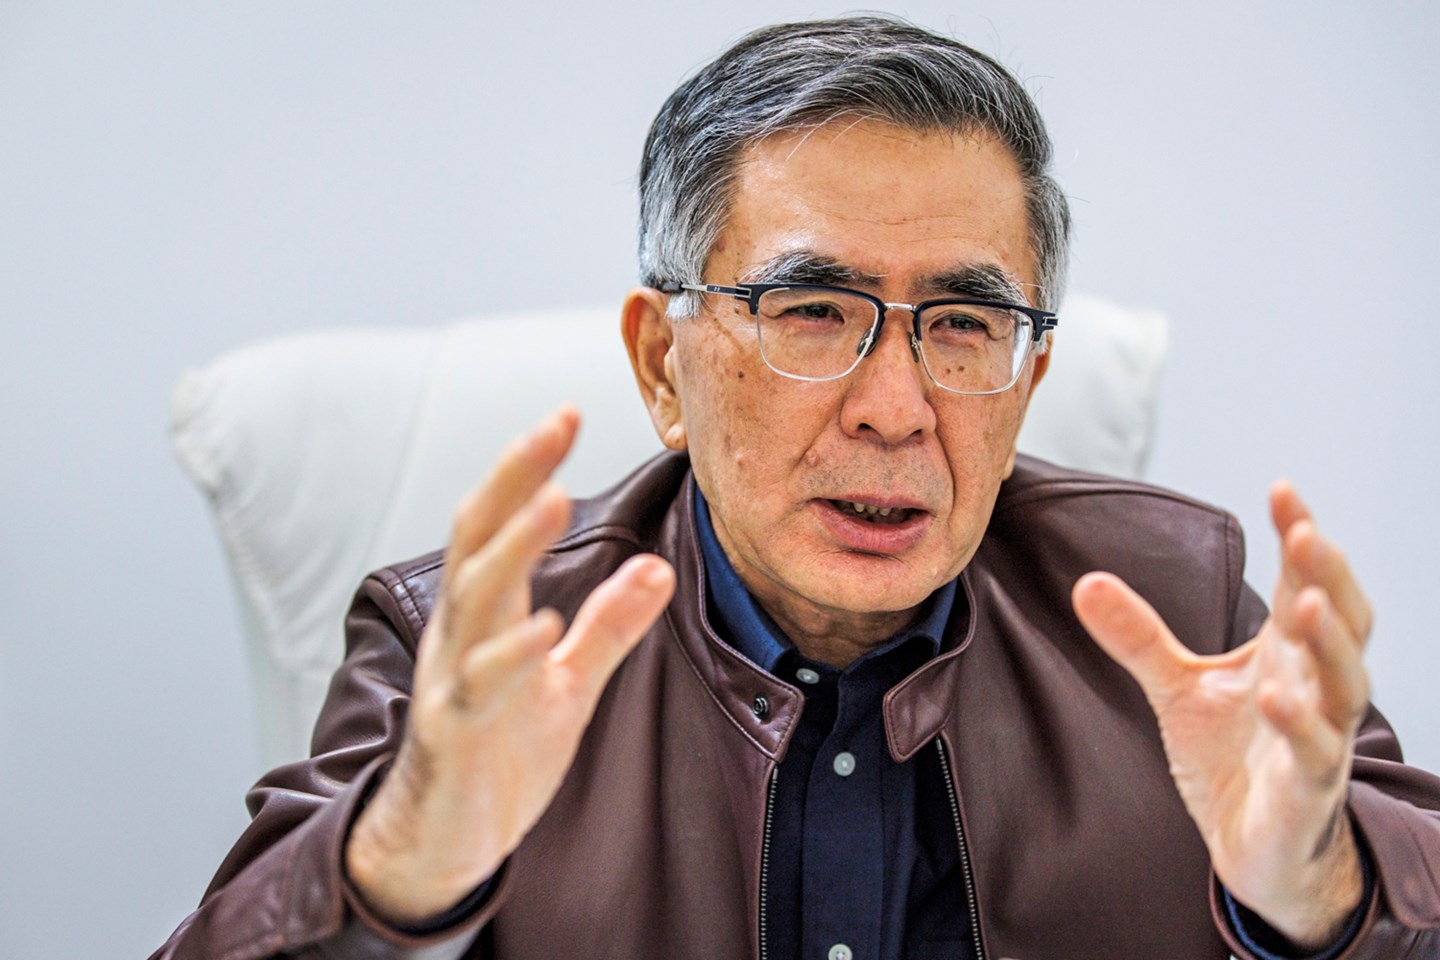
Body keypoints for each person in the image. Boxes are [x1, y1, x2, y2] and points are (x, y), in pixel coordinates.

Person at [151, 16, 1440, 960]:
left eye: (963, 325)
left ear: (1031, 378)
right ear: (663, 365)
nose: (894, 408)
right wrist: (401, 873)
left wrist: (1320, 894)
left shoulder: (1182, 611)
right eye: (813, 310)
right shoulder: (472, 652)